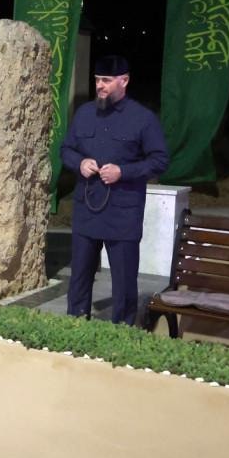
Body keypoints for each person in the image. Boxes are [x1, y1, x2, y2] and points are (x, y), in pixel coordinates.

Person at [60, 55, 169, 325]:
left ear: (124, 81)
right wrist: (79, 163)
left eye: (106, 80)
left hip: (123, 214)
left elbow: (160, 160)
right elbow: (66, 150)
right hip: (87, 210)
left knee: (124, 281)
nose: (100, 85)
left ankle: (122, 331)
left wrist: (124, 172)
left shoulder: (143, 118)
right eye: (97, 80)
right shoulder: (85, 113)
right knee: (79, 277)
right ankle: (74, 327)